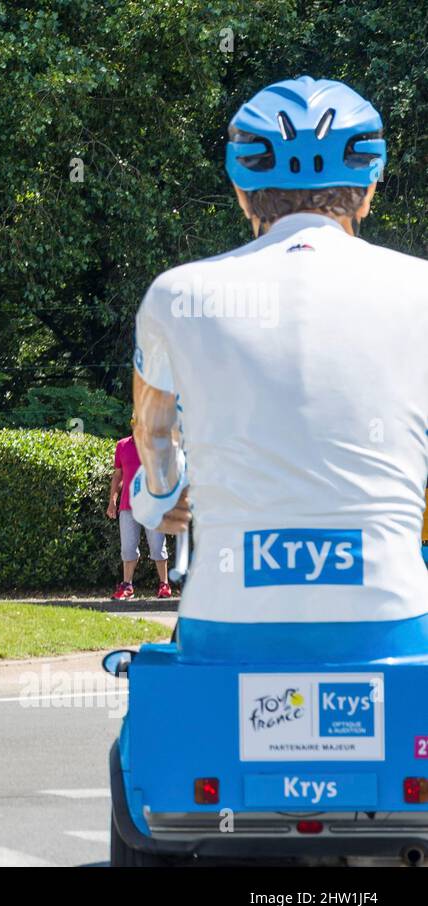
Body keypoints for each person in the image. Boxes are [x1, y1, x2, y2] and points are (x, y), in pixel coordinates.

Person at [128, 76, 428, 645]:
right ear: (367, 190)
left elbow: (154, 433)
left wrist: (162, 495)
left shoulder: (177, 294)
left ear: (243, 191)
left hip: (231, 618)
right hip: (391, 620)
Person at [107, 423, 171, 599]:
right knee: (127, 548)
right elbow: (118, 476)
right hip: (128, 506)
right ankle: (127, 586)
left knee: (158, 546)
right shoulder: (122, 445)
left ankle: (164, 584)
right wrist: (112, 501)